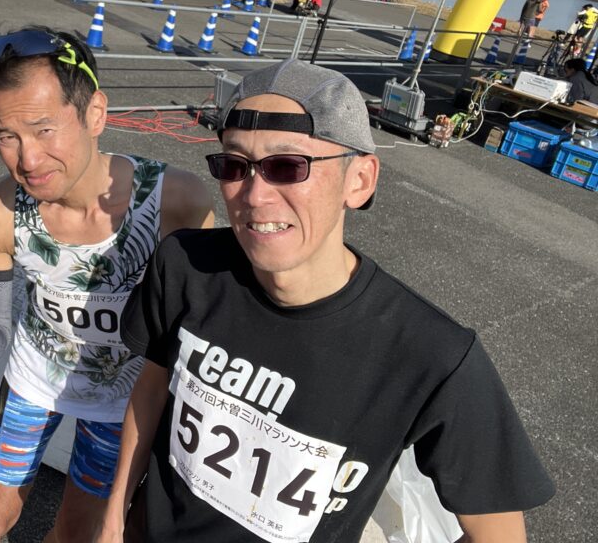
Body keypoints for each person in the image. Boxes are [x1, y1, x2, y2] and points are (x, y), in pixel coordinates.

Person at [100, 59, 554, 543]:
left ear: (359, 180)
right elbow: (152, 389)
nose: (254, 195)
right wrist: (113, 519)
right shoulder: (186, 265)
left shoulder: (431, 354)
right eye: (234, 166)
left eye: (287, 166)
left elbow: (500, 532)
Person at [0, 27, 214, 543]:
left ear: (95, 114)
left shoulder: (176, 203)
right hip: (34, 383)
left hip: (123, 404)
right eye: (7, 135)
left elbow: (198, 326)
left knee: (76, 534)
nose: (27, 160)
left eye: (44, 129)